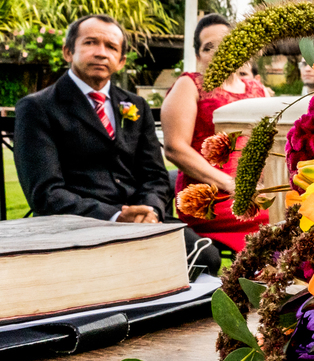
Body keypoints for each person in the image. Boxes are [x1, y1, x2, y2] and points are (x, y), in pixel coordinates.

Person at [14, 14, 220, 275]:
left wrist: (151, 211)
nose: (101, 53)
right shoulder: (38, 108)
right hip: (78, 226)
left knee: (206, 257)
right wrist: (115, 216)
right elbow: (46, 193)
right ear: (68, 51)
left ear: (121, 61)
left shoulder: (136, 106)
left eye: (111, 47)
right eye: (90, 43)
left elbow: (155, 175)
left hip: (144, 223)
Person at [160, 13, 269, 253]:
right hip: (211, 196)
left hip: (257, 190)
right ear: (199, 56)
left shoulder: (258, 89)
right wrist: (231, 185)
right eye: (209, 47)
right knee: (278, 215)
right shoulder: (189, 85)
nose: (219, 51)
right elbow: (175, 148)